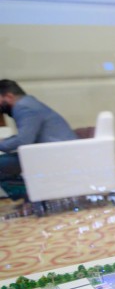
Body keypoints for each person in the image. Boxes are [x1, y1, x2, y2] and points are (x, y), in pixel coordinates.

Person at [0, 80, 77, 209]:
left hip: (54, 154)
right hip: (53, 151)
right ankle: (32, 197)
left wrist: (2, 145)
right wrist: (6, 141)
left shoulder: (24, 107)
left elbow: (23, 140)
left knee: (2, 164)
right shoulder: (28, 103)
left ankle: (31, 198)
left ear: (9, 96)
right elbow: (27, 136)